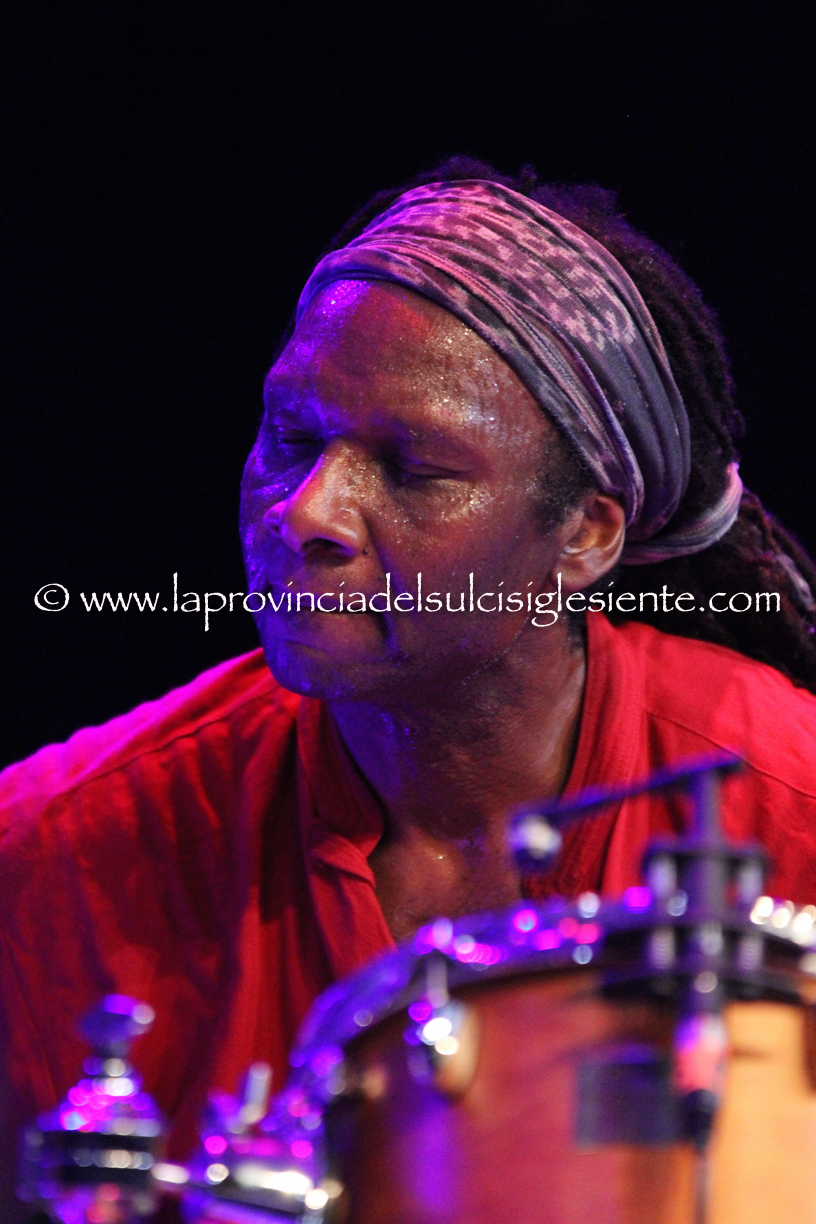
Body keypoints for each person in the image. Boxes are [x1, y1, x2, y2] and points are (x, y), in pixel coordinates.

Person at [1, 157, 815, 1218]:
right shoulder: (58, 856)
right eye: (292, 437)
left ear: (584, 534)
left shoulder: (788, 805)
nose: (307, 512)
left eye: (414, 467)